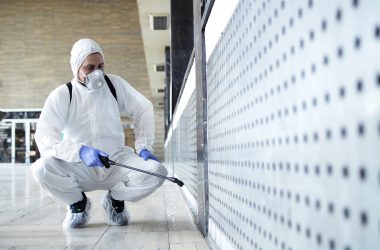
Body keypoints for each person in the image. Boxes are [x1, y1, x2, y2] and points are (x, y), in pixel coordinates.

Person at [31, 38, 168, 228]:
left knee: (157, 172)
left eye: (101, 66)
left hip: (116, 161)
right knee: (41, 169)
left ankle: (115, 200)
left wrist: (143, 146)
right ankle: (78, 204)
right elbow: (45, 136)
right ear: (76, 67)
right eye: (90, 67)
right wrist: (79, 151)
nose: (97, 72)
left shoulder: (114, 85)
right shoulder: (63, 94)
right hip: (79, 166)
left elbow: (143, 108)